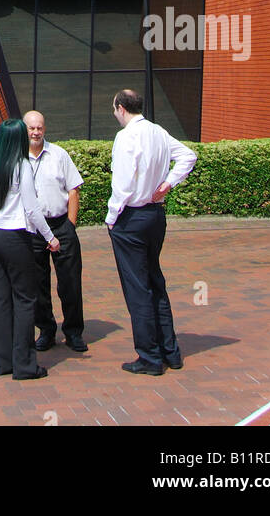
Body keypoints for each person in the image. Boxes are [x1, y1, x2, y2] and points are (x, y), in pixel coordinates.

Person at [106, 88, 198, 375]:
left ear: (121, 108)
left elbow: (122, 185)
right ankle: (170, 351)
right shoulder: (158, 131)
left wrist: (111, 218)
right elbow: (188, 156)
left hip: (131, 217)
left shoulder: (126, 137)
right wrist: (168, 184)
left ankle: (149, 356)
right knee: (154, 280)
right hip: (155, 215)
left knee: (138, 288)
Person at [0, 118, 61, 380]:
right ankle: (25, 365)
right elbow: (32, 210)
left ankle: (3, 362)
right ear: (18, 140)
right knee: (26, 299)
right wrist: (50, 237)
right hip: (15, 237)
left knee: (2, 299)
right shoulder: (21, 166)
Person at [23, 110, 88, 354]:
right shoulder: (18, 158)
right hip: (33, 231)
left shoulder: (59, 155)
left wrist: (70, 226)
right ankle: (46, 331)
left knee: (70, 283)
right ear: (24, 130)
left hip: (61, 225)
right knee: (38, 284)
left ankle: (73, 332)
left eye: (39, 127)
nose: (36, 132)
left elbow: (73, 190)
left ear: (45, 129)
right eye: (31, 128)